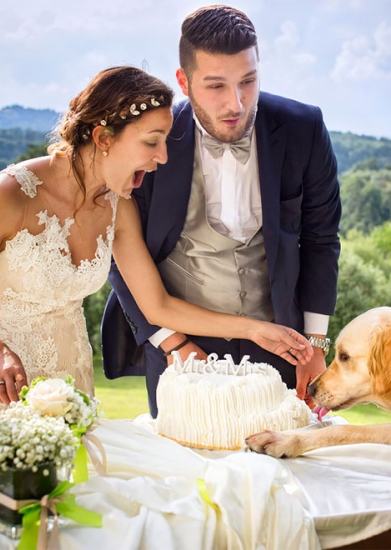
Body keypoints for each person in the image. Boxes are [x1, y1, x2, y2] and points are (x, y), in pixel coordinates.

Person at [0, 66, 312, 425]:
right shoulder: (11, 195)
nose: (162, 158)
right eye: (152, 142)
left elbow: (157, 306)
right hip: (5, 380)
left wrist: (254, 330)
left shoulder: (117, 206)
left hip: (72, 382)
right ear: (103, 139)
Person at [102, 5, 342, 417]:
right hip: (181, 345)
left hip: (282, 345)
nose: (236, 103)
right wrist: (171, 342)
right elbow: (118, 247)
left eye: (248, 81)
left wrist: (314, 344)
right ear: (184, 81)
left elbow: (321, 239)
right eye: (216, 86)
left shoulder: (303, 128)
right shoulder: (150, 141)